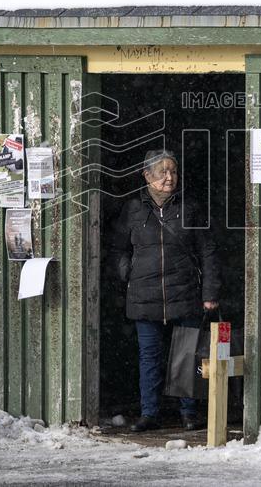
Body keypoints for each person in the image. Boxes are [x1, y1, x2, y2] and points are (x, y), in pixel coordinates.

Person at [107, 149, 220, 432]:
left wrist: (210, 293)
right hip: (144, 294)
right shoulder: (133, 209)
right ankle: (150, 413)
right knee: (149, 357)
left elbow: (208, 251)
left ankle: (189, 413)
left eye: (173, 171)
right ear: (147, 176)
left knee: (187, 354)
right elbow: (118, 248)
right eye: (162, 172)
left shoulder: (189, 208)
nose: (169, 178)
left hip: (184, 292)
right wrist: (127, 274)